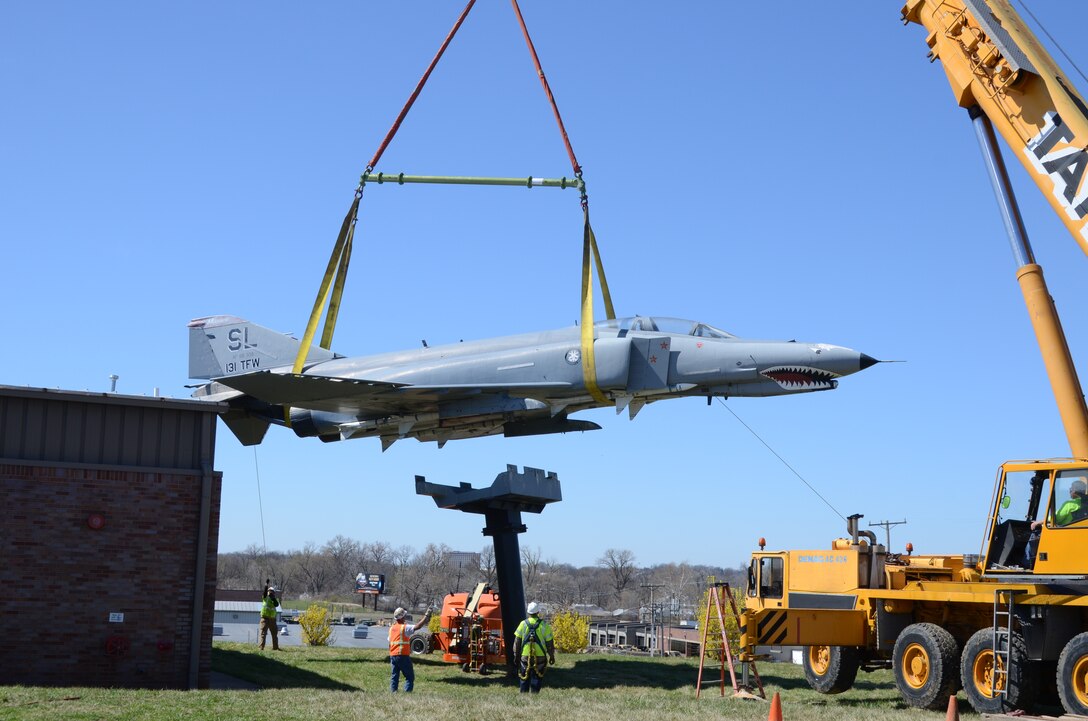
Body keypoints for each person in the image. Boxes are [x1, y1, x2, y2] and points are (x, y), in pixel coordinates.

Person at [512, 602, 555, 693]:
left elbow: (517, 641)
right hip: (540, 656)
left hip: (525, 655)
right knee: (537, 676)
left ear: (528, 613)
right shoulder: (544, 625)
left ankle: (524, 695)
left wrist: (516, 655)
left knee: (524, 675)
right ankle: (535, 695)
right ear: (538, 612)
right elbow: (549, 643)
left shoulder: (522, 624)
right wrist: (551, 656)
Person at [388, 605, 432, 692]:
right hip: (402, 655)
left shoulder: (391, 628)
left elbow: (389, 642)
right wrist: (426, 616)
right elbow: (418, 626)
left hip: (393, 655)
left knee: (395, 675)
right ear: (402, 617)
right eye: (404, 615)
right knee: (409, 676)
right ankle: (407, 693)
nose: (405, 616)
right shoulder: (404, 627)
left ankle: (393, 692)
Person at [258, 584, 281, 651]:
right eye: (269, 591)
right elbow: (264, 594)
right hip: (264, 618)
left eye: (272, 591)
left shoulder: (274, 599)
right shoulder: (265, 597)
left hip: (272, 619)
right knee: (263, 633)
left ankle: (275, 648)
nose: (270, 592)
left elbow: (276, 604)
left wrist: (273, 598)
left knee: (274, 634)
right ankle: (261, 647)